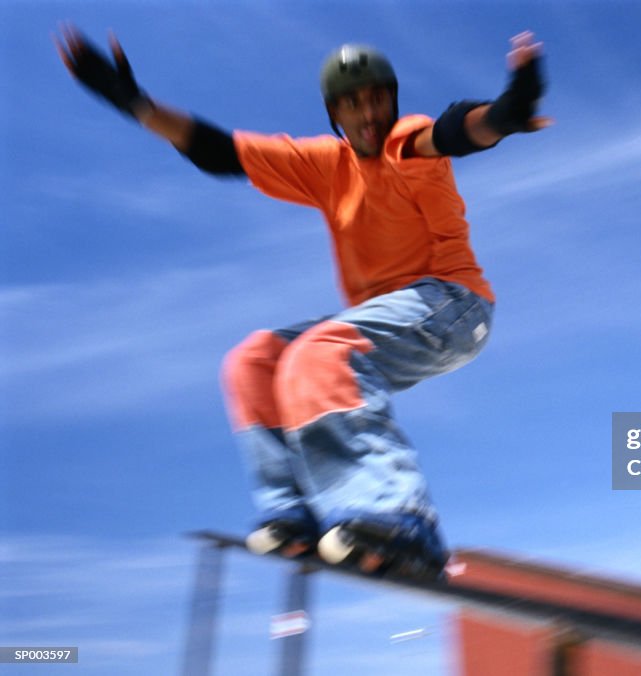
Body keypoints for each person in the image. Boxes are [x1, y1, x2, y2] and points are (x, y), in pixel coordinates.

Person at [55, 24, 551, 577]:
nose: (367, 115)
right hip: (383, 318)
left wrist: (508, 112)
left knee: (322, 352)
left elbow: (457, 130)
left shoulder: (403, 141)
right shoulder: (325, 165)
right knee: (255, 361)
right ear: (334, 114)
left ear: (392, 101)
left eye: (376, 100)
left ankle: (399, 515)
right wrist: (134, 103)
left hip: (453, 305)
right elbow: (221, 153)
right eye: (352, 105)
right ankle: (294, 513)